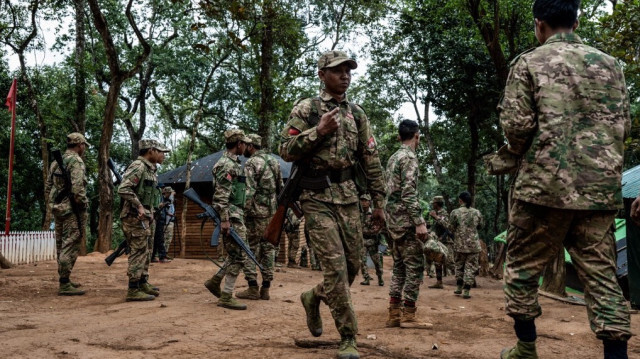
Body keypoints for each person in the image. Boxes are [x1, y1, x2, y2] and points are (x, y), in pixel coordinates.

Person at [499, 1, 631, 358]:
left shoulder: (528, 63)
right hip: (598, 192)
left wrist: (519, 150)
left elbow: (517, 127)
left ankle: (526, 346)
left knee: (523, 271)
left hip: (543, 190)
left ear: (539, 25)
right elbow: (625, 126)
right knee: (603, 280)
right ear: (576, 20)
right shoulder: (612, 66)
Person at [280, 50, 386, 359]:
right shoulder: (307, 109)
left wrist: (378, 202)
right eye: (338, 70)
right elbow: (286, 149)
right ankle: (348, 337)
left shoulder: (357, 114)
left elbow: (371, 160)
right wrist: (319, 131)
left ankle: (313, 296)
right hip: (315, 199)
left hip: (349, 199)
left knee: (352, 266)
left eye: (348, 70)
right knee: (337, 270)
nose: (345, 75)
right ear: (322, 75)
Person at [385, 119, 431, 330]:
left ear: (398, 137)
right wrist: (419, 223)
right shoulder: (410, 158)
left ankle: (394, 314)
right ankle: (409, 316)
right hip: (406, 222)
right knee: (415, 268)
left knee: (399, 267)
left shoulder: (393, 158)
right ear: (417, 136)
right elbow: (409, 193)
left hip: (393, 222)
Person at [203, 129, 250, 310]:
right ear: (238, 144)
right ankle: (226, 295)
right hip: (231, 215)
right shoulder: (226, 165)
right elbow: (221, 196)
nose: (245, 146)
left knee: (236, 253)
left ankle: (215, 281)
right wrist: (225, 219)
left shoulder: (233, 163)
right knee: (240, 254)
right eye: (244, 143)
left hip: (235, 213)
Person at [118, 139, 170, 302]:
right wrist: (140, 207)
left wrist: (151, 211)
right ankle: (133, 289)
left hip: (147, 216)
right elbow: (124, 189)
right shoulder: (138, 167)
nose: (163, 155)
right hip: (135, 217)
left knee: (146, 250)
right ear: (151, 151)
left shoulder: (151, 170)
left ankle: (142, 282)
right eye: (161, 151)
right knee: (138, 251)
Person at [236, 133, 283, 301]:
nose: (243, 149)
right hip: (272, 214)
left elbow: (248, 192)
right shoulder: (274, 162)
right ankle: (266, 288)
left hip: (255, 215)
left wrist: (242, 213)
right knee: (269, 249)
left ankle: (252, 287)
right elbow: (280, 189)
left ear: (250, 146)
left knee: (248, 248)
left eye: (245, 146)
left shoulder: (251, 163)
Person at [44, 132, 90, 296]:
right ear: (80, 145)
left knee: (60, 244)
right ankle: (64, 284)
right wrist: (84, 204)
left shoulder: (56, 162)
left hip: (58, 208)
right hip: (72, 209)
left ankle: (65, 279)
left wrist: (52, 205)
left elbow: (49, 186)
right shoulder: (76, 161)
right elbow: (78, 189)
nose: (84, 148)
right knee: (71, 244)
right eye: (83, 145)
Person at [448, 191, 483, 299]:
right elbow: (480, 226)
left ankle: (459, 287)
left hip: (459, 245)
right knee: (471, 268)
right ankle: (466, 290)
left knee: (459, 266)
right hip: (473, 245)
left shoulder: (455, 212)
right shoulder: (477, 212)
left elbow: (451, 228)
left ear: (460, 200)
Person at [359, 193, 384, 286]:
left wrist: (369, 232)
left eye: (365, 201)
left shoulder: (374, 213)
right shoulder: (359, 214)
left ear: (370, 202)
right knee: (362, 261)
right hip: (362, 241)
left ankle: (380, 278)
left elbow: (378, 227)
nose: (363, 202)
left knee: (376, 261)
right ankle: (366, 278)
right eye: (362, 200)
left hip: (372, 241)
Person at [427, 196, 452, 289]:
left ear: (437, 204)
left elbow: (447, 226)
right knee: (437, 261)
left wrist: (436, 217)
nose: (432, 205)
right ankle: (439, 282)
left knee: (450, 262)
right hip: (438, 240)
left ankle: (466, 280)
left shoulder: (443, 213)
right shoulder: (436, 213)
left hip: (446, 241)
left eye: (433, 203)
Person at [151, 186, 174, 263]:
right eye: (169, 193)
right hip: (158, 219)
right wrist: (163, 204)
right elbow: (157, 207)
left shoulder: (165, 199)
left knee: (157, 239)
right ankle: (162, 257)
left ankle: (153, 256)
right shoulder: (159, 198)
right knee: (159, 239)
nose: (170, 194)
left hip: (161, 219)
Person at [162, 187, 176, 259]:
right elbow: (171, 199)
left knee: (168, 238)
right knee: (166, 238)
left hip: (170, 221)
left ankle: (165, 253)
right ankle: (163, 254)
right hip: (167, 221)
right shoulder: (165, 200)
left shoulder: (169, 201)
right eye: (169, 193)